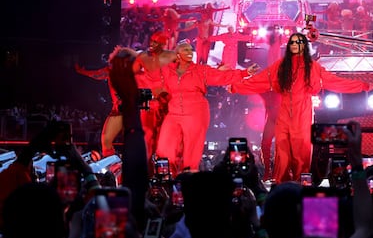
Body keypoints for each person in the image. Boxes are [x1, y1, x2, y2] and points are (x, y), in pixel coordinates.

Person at [230, 32, 373, 183]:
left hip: (303, 111)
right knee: (282, 151)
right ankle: (281, 184)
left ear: (304, 45)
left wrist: (362, 86)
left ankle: (300, 184)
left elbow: (335, 82)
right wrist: (235, 87)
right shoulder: (281, 65)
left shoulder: (313, 67)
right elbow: (260, 80)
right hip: (284, 112)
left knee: (301, 152)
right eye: (292, 42)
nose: (294, 45)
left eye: (298, 42)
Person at [156, 40, 258, 176]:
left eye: (190, 50)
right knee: (164, 149)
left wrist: (245, 72)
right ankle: (169, 178)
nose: (189, 52)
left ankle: (189, 179)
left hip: (196, 112)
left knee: (192, 151)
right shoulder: (167, 71)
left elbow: (222, 77)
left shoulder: (200, 70)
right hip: (174, 113)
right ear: (177, 54)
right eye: (185, 49)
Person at [131, 31, 178, 161]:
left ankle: (160, 163)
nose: (152, 44)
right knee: (147, 134)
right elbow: (131, 74)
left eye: (156, 42)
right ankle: (145, 164)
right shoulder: (143, 57)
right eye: (152, 41)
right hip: (148, 98)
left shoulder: (172, 57)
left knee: (164, 135)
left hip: (166, 99)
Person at [74, 61, 122, 156]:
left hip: (135, 109)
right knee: (106, 140)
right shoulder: (111, 71)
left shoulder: (135, 70)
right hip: (119, 109)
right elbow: (98, 74)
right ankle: (112, 162)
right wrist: (82, 71)